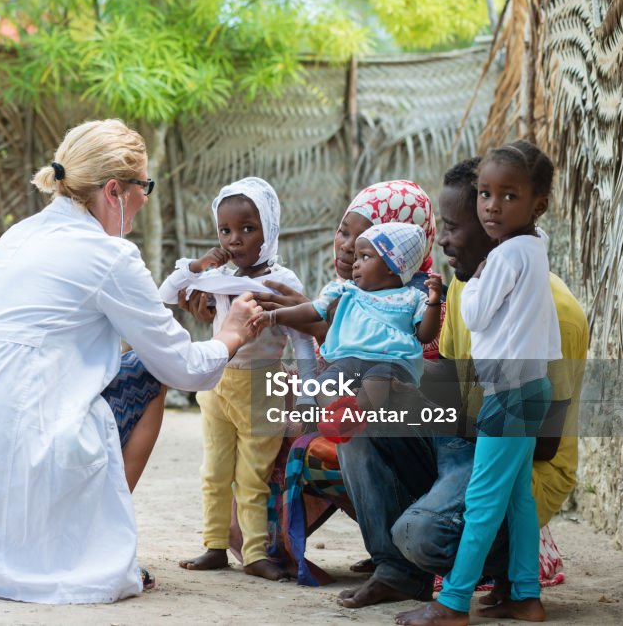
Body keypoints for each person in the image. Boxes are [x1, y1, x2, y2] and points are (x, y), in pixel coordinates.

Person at [0, 119, 263, 605]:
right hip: (26, 430)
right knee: (149, 372)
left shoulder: (19, 235)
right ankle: (93, 544)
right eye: (143, 186)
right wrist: (230, 336)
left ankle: (57, 532)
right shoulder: (110, 255)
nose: (146, 199)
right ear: (114, 190)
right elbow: (183, 368)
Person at [332, 157, 587, 616]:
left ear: (497, 228)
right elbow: (444, 390)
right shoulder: (462, 285)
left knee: (424, 533)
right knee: (363, 422)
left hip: (519, 446)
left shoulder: (553, 310)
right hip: (470, 434)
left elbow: (544, 443)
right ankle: (398, 573)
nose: (442, 239)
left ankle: (466, 592)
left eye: (453, 227)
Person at [188, 179, 442, 586]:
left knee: (325, 430)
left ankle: (402, 550)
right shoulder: (347, 287)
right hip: (333, 405)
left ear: (399, 254)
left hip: (403, 436)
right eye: (344, 232)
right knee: (270, 424)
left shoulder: (417, 300)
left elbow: (406, 375)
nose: (346, 247)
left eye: (363, 241)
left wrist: (307, 325)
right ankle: (256, 544)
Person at [395, 140, 561, 625]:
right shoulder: (534, 246)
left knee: (484, 502)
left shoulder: (505, 259)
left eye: (508, 196)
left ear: (538, 204)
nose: (492, 206)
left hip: (509, 395)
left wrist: (476, 279)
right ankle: (526, 596)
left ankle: (453, 602)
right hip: (530, 389)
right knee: (517, 500)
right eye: (486, 194)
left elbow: (476, 313)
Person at [159, 177, 317, 580]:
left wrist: (307, 397)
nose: (235, 239)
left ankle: (253, 554)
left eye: (248, 228)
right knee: (213, 471)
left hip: (262, 388)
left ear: (270, 228)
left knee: (253, 475)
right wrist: (195, 268)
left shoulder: (283, 283)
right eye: (225, 230)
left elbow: (302, 342)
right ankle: (214, 545)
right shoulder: (217, 277)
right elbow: (165, 294)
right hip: (216, 383)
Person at [254, 222, 442, 414]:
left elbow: (425, 335)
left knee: (374, 390)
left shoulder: (413, 297)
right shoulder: (345, 290)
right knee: (322, 386)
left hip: (389, 362)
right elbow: (313, 310)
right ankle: (340, 416)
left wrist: (433, 302)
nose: (355, 263)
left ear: (392, 266)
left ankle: (354, 416)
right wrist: (274, 316)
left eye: (365, 256)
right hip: (348, 361)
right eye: (356, 258)